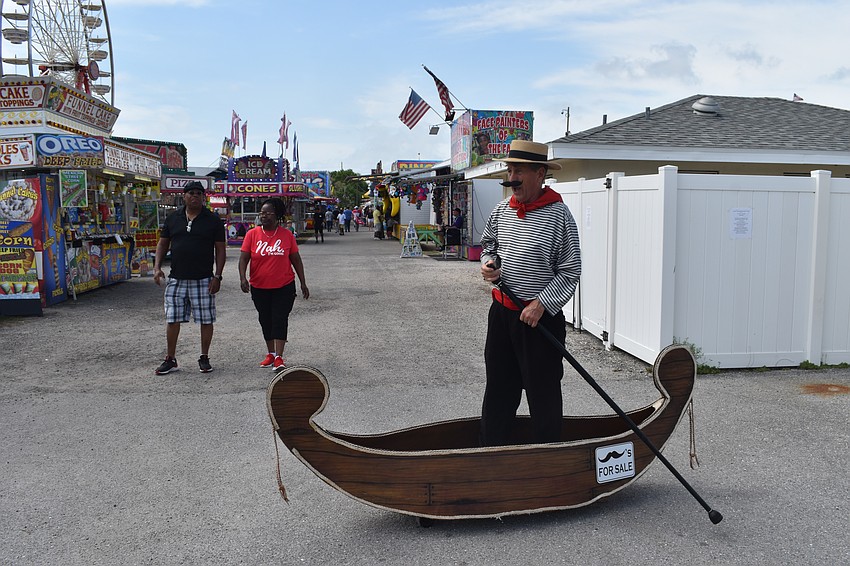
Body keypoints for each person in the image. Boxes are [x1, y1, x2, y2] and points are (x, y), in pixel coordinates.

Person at [479, 140, 581, 446]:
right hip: (502, 316)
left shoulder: (559, 216)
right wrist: (488, 264)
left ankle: (547, 461)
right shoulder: (501, 210)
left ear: (540, 173)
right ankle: (490, 456)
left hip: (538, 322)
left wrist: (541, 304)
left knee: (543, 394)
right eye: (510, 170)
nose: (512, 177)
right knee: (498, 389)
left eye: (519, 170)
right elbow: (488, 245)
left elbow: (570, 269)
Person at [153, 181, 226, 375]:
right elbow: (162, 244)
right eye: (191, 193)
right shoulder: (173, 218)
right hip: (176, 278)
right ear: (184, 196)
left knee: (206, 319)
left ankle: (204, 357)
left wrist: (218, 276)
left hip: (203, 279)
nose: (195, 196)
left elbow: (220, 249)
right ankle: (170, 358)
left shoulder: (213, 220)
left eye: (199, 193)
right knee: (172, 319)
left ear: (204, 197)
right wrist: (157, 267)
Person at [238, 198, 310, 371]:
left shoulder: (286, 235)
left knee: (279, 319)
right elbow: (244, 258)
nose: (264, 216)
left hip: (284, 286)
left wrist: (303, 282)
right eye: (262, 213)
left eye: (268, 213)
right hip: (259, 286)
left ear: (277, 215)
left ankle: (279, 357)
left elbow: (296, 260)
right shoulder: (252, 234)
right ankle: (270, 354)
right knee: (265, 320)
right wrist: (242, 278)